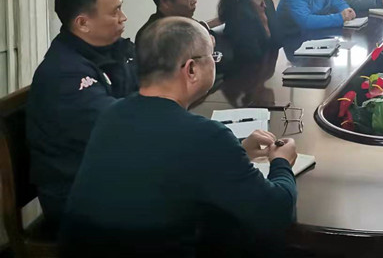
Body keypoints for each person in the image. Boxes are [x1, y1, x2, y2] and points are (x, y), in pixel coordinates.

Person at [60, 17, 298, 257]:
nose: (215, 62)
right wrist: (281, 162)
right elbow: (275, 213)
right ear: (191, 69)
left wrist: (239, 150)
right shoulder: (208, 137)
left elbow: (161, 157)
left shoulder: (112, 114)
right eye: (213, 56)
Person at [27, 0, 138, 226]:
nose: (123, 18)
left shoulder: (115, 51)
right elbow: (119, 128)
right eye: (115, 11)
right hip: (78, 197)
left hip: (111, 174)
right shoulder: (65, 74)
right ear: (83, 23)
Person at [218, 0, 283, 62]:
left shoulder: (267, 3)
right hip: (248, 67)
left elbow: (277, 38)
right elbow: (252, 53)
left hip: (267, 63)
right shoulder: (240, 14)